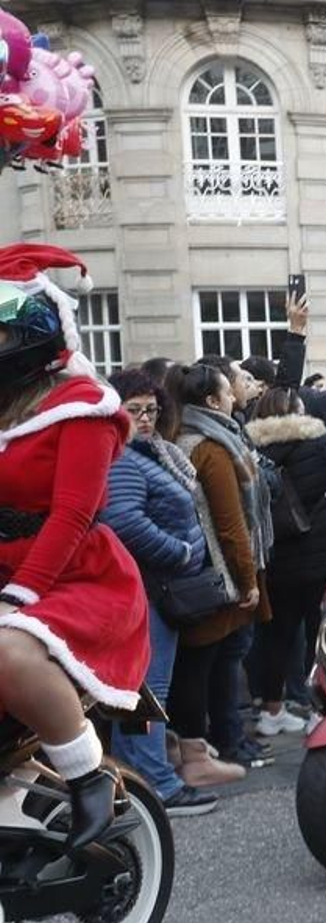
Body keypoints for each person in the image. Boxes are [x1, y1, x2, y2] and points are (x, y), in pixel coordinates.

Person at [0, 246, 150, 849]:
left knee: (7, 653)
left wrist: (17, 594)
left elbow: (72, 515)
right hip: (13, 568)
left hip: (74, 577)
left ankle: (88, 775)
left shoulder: (81, 409)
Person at [101, 368, 225, 811]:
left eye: (152, 409)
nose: (146, 418)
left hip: (151, 587)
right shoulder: (124, 459)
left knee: (138, 690)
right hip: (148, 589)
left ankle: (135, 779)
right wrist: (179, 551)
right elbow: (124, 522)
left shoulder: (147, 453)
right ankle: (158, 786)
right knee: (147, 690)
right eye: (134, 410)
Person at [166, 363, 276, 769]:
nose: (235, 396)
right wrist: (248, 580)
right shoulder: (210, 447)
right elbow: (230, 524)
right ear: (212, 401)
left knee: (219, 663)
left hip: (213, 571)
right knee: (216, 664)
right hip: (220, 576)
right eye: (229, 391)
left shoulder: (212, 436)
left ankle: (225, 738)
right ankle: (222, 741)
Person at [246, 386, 326, 735]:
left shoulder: (253, 448)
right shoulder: (317, 443)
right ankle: (317, 710)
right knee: (319, 632)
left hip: (277, 555)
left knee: (276, 635)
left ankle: (271, 711)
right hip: (321, 549)